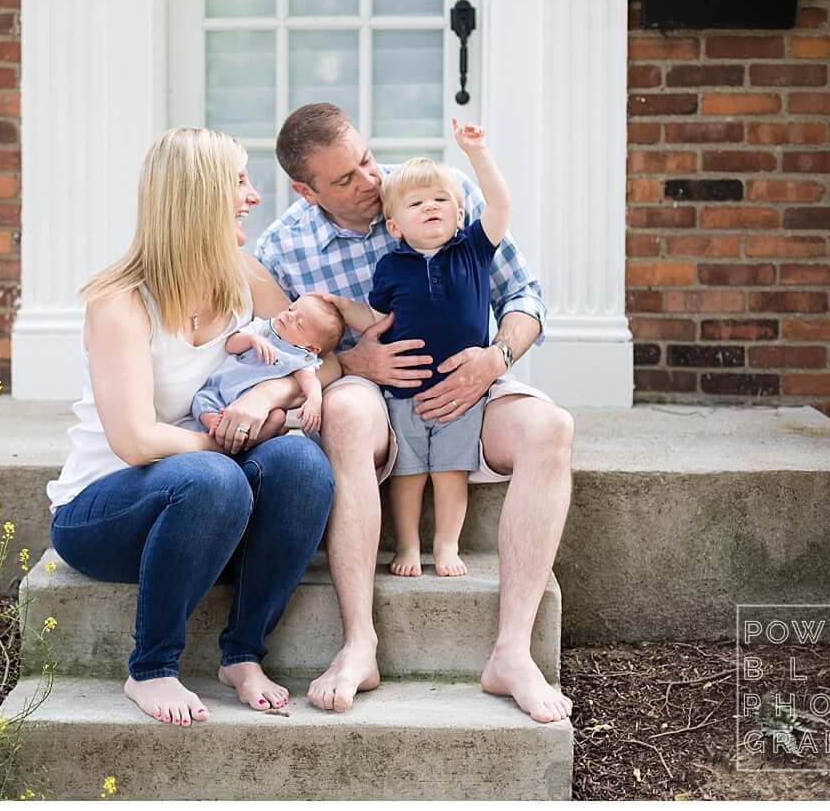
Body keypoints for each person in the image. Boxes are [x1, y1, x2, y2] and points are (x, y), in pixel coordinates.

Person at [248, 102, 573, 724]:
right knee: (341, 413)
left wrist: (496, 355)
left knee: (551, 428)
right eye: (343, 179)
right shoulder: (283, 249)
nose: (369, 181)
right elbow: (277, 362)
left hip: (468, 386)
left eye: (366, 160)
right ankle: (359, 644)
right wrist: (353, 364)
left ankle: (511, 654)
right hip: (369, 399)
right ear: (304, 189)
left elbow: (525, 296)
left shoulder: (436, 192)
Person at [46, 127, 333, 725]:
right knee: (212, 477)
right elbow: (135, 441)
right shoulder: (121, 303)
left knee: (301, 462)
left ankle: (243, 655)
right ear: (198, 197)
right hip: (107, 513)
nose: (254, 196)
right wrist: (227, 445)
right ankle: (150, 669)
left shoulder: (242, 279)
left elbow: (315, 353)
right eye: (239, 181)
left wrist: (268, 398)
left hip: (207, 511)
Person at [352, 126, 514, 580]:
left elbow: (500, 204)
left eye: (441, 200)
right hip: (403, 391)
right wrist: (341, 312)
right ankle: (407, 544)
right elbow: (375, 319)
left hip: (462, 394)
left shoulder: (473, 251)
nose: (430, 207)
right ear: (394, 225)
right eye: (417, 202)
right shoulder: (390, 267)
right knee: (407, 475)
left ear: (460, 216)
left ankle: (446, 544)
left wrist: (477, 153)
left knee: (449, 474)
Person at [187, 290, 345, 439]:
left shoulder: (300, 357)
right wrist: (251, 340)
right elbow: (230, 345)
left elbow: (309, 379)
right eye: (291, 310)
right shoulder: (261, 328)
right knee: (202, 400)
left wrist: (314, 399)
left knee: (278, 417)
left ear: (311, 348)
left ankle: (249, 441)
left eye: (300, 324)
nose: (289, 316)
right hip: (221, 389)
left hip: (255, 408)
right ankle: (214, 424)